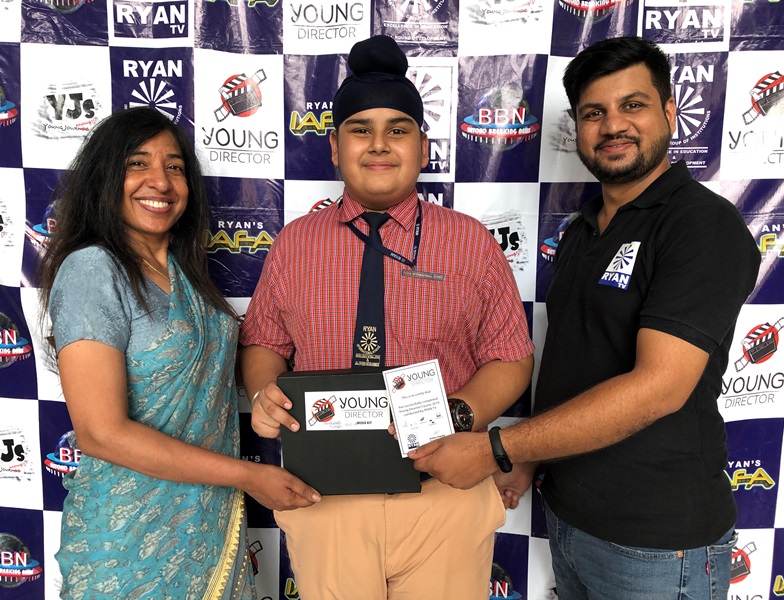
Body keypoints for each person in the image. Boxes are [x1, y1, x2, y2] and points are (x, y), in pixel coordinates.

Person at [409, 36, 761, 599]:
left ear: (670, 113)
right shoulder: (585, 228)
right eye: (594, 113)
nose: (613, 125)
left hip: (658, 545)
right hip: (571, 522)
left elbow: (660, 387)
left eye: (633, 105)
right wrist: (532, 461)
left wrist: (500, 449)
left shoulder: (701, 225)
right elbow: (575, 362)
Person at [239, 35, 534, 599]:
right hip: (326, 497)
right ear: (334, 146)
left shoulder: (469, 242)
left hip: (443, 495)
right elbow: (264, 343)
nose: (379, 145)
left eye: (398, 130)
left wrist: (458, 414)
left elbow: (511, 358)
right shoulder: (295, 244)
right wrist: (263, 392)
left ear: (422, 147)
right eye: (360, 130)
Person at [38, 107, 320, 599]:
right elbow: (102, 433)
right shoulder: (92, 270)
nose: (161, 182)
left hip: (205, 530)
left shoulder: (185, 275)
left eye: (174, 167)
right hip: (128, 543)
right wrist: (249, 476)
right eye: (137, 163)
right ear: (104, 177)